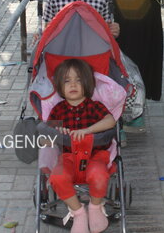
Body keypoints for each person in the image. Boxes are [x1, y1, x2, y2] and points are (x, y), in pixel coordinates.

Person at [47, 58, 116, 233]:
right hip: (68, 157)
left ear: (87, 83)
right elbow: (48, 136)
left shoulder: (95, 107)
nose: (73, 84)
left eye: (78, 79)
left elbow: (110, 121)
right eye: (67, 80)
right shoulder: (58, 110)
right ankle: (78, 212)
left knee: (99, 175)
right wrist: (58, 132)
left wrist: (88, 130)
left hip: (95, 156)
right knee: (57, 178)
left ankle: (94, 207)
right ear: (59, 86)